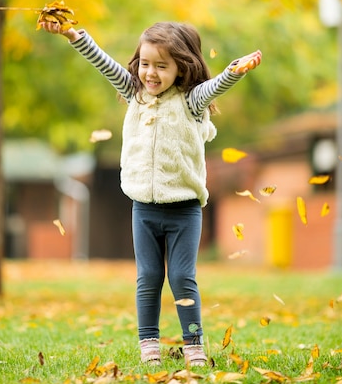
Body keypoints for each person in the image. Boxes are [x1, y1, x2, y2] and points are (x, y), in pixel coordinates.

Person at [39, 18, 262, 366]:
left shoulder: (191, 101)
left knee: (181, 277)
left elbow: (215, 86)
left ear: (181, 68)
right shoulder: (135, 95)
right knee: (149, 278)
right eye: (145, 64)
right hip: (143, 209)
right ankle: (149, 345)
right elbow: (103, 63)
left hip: (184, 210)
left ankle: (194, 346)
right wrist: (72, 34)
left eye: (162, 66)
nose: (151, 73)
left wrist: (236, 70)